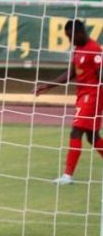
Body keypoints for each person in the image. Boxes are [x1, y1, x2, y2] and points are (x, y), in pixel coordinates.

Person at [34, 19, 103, 185]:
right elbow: (70, 74)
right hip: (83, 95)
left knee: (76, 131)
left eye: (71, 36)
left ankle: (67, 175)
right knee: (92, 137)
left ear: (80, 33)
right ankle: (67, 175)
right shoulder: (78, 48)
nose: (70, 40)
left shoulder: (94, 50)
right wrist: (47, 86)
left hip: (92, 96)